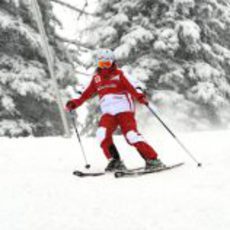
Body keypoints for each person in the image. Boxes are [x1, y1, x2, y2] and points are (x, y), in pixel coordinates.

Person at [66, 49, 165, 172]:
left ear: (112, 63)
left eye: (107, 64)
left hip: (124, 110)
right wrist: (74, 103)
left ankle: (153, 160)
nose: (104, 68)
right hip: (108, 112)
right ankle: (115, 161)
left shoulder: (120, 74)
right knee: (102, 134)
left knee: (131, 135)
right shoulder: (96, 78)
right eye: (102, 64)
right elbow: (85, 94)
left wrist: (140, 96)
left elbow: (134, 86)